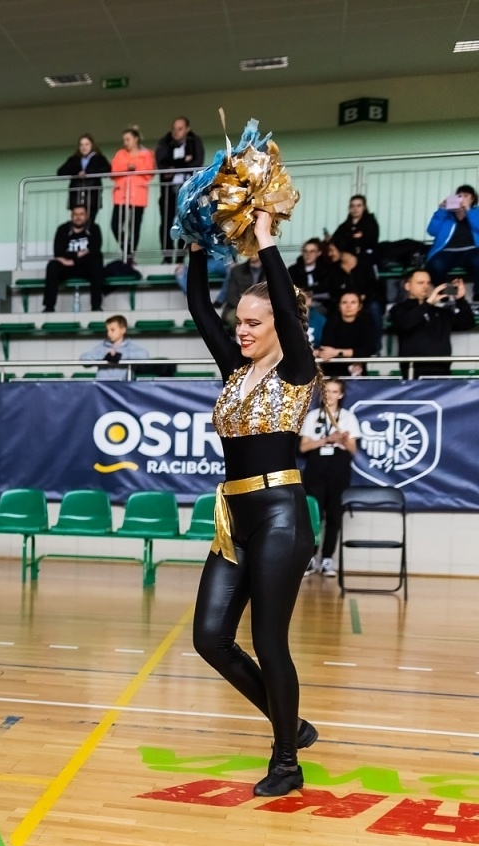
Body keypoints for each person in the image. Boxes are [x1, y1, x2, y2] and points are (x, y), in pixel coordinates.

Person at [186, 210, 323, 798]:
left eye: (252, 322)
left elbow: (287, 312)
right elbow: (197, 305)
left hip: (280, 517)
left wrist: (265, 240)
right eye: (238, 320)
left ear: (278, 323)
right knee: (209, 637)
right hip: (234, 517)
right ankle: (289, 721)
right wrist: (195, 242)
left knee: (269, 642)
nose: (240, 330)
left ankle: (286, 761)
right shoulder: (234, 370)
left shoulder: (296, 371)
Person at [299, 378, 360, 578]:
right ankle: (309, 558)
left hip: (338, 468)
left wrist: (343, 440)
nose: (330, 395)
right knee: (313, 516)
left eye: (335, 391)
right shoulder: (313, 416)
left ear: (340, 395)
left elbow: (353, 450)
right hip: (316, 468)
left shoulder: (348, 417)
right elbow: (303, 447)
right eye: (327, 391)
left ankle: (327, 559)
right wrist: (326, 439)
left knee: (334, 515)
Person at [390, 269, 474, 378]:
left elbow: (467, 323)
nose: (425, 286)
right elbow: (406, 323)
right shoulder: (398, 309)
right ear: (408, 286)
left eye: (428, 283)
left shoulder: (440, 311)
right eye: (420, 283)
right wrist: (428, 303)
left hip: (442, 370)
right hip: (413, 372)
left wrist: (461, 299)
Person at [154, 117, 204, 260]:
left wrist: (174, 166)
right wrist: (183, 162)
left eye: (180, 129)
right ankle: (167, 256)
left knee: (186, 221)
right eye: (174, 129)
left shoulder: (195, 142)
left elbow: (197, 162)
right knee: (166, 222)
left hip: (187, 190)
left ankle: (182, 255)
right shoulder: (164, 142)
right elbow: (161, 164)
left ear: (187, 129)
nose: (176, 132)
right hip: (168, 189)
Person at [43, 204, 107, 313]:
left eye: (81, 214)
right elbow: (58, 252)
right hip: (67, 268)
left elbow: (94, 251)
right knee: (52, 265)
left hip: (85, 267)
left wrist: (72, 260)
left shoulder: (94, 229)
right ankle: (49, 307)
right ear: (71, 216)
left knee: (96, 262)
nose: (78, 217)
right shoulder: (62, 229)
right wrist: (78, 255)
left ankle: (96, 307)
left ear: (86, 216)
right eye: (75, 214)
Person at [110, 128, 154, 264]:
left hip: (138, 196)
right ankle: (127, 250)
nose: (125, 142)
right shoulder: (120, 154)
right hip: (121, 195)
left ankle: (130, 255)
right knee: (115, 224)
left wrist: (135, 167)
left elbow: (150, 172)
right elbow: (113, 172)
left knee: (134, 227)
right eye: (124, 140)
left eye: (128, 139)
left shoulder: (146, 154)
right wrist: (128, 168)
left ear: (136, 139)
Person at [288, 238, 345, 338]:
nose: (308, 254)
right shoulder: (293, 270)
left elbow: (332, 291)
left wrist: (312, 297)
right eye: (305, 251)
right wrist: (303, 299)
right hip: (299, 305)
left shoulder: (327, 270)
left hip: (322, 305)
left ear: (318, 253)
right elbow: (289, 289)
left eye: (312, 251)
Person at [425, 184, 479, 285]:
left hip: (472, 250)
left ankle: (477, 295)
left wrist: (469, 211)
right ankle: (444, 294)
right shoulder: (446, 215)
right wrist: (441, 210)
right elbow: (432, 231)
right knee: (435, 265)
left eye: (466, 195)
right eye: (459, 196)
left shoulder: (476, 213)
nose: (462, 198)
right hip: (447, 252)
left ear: (473, 199)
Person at [314, 291, 377, 377]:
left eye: (353, 302)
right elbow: (326, 348)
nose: (348, 306)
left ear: (360, 306)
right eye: (344, 302)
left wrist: (337, 352)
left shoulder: (367, 322)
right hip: (332, 369)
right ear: (339, 306)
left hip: (358, 370)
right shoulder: (332, 322)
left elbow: (369, 349)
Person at [57, 133, 111, 220]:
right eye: (81, 144)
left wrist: (88, 173)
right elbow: (60, 172)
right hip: (76, 197)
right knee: (77, 224)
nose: (84, 147)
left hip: (92, 197)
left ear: (92, 145)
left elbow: (107, 170)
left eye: (86, 144)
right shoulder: (74, 159)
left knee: (90, 223)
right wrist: (76, 173)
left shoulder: (99, 158)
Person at [81, 316, 151, 379]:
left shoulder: (130, 346)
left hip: (122, 387)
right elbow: (83, 359)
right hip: (102, 387)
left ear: (123, 330)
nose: (109, 333)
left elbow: (145, 355)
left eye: (112, 330)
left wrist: (120, 356)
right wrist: (104, 356)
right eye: (107, 330)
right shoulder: (102, 346)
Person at [331, 195, 379, 264]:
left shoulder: (370, 224)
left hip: (365, 261)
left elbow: (371, 240)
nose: (355, 209)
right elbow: (336, 241)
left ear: (364, 207)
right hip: (346, 261)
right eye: (352, 206)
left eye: (358, 206)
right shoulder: (344, 226)